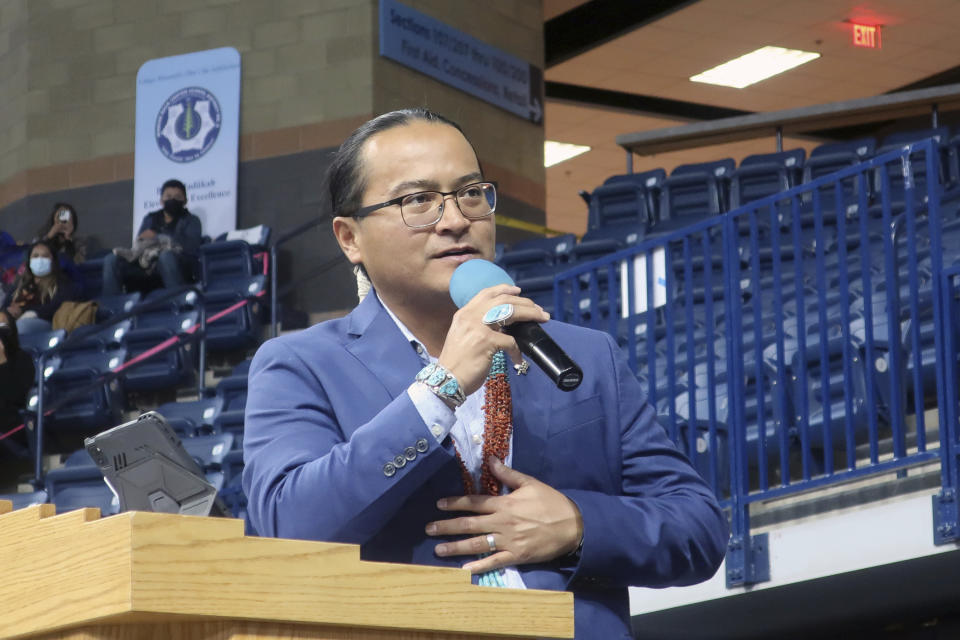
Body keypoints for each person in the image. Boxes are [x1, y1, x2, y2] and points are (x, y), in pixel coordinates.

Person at [242, 109, 728, 640]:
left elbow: (697, 528)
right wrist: (441, 387)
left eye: (470, 192)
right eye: (417, 200)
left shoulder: (586, 358)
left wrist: (578, 525)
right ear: (349, 238)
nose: (455, 219)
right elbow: (290, 528)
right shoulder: (300, 365)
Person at [101, 179, 202, 296]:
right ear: (161, 201)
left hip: (177, 265)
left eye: (177, 197)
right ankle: (113, 308)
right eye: (168, 196)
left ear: (185, 201)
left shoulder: (192, 220)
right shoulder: (150, 219)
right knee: (111, 259)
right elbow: (139, 244)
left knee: (166, 256)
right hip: (146, 263)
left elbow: (191, 246)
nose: (172, 200)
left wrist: (158, 237)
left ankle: (177, 301)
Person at [5, 240, 82, 335]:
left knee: (21, 326)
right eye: (35, 256)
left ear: (53, 260)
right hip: (12, 322)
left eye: (45, 256)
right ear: (29, 261)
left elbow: (56, 306)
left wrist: (24, 311)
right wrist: (9, 312)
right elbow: (5, 305)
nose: (40, 260)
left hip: (44, 322)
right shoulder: (20, 284)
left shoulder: (61, 282)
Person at [0, 310, 35, 438]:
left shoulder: (22, 358)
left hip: (14, 421)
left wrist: (3, 362)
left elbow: (17, 397)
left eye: (2, 326)